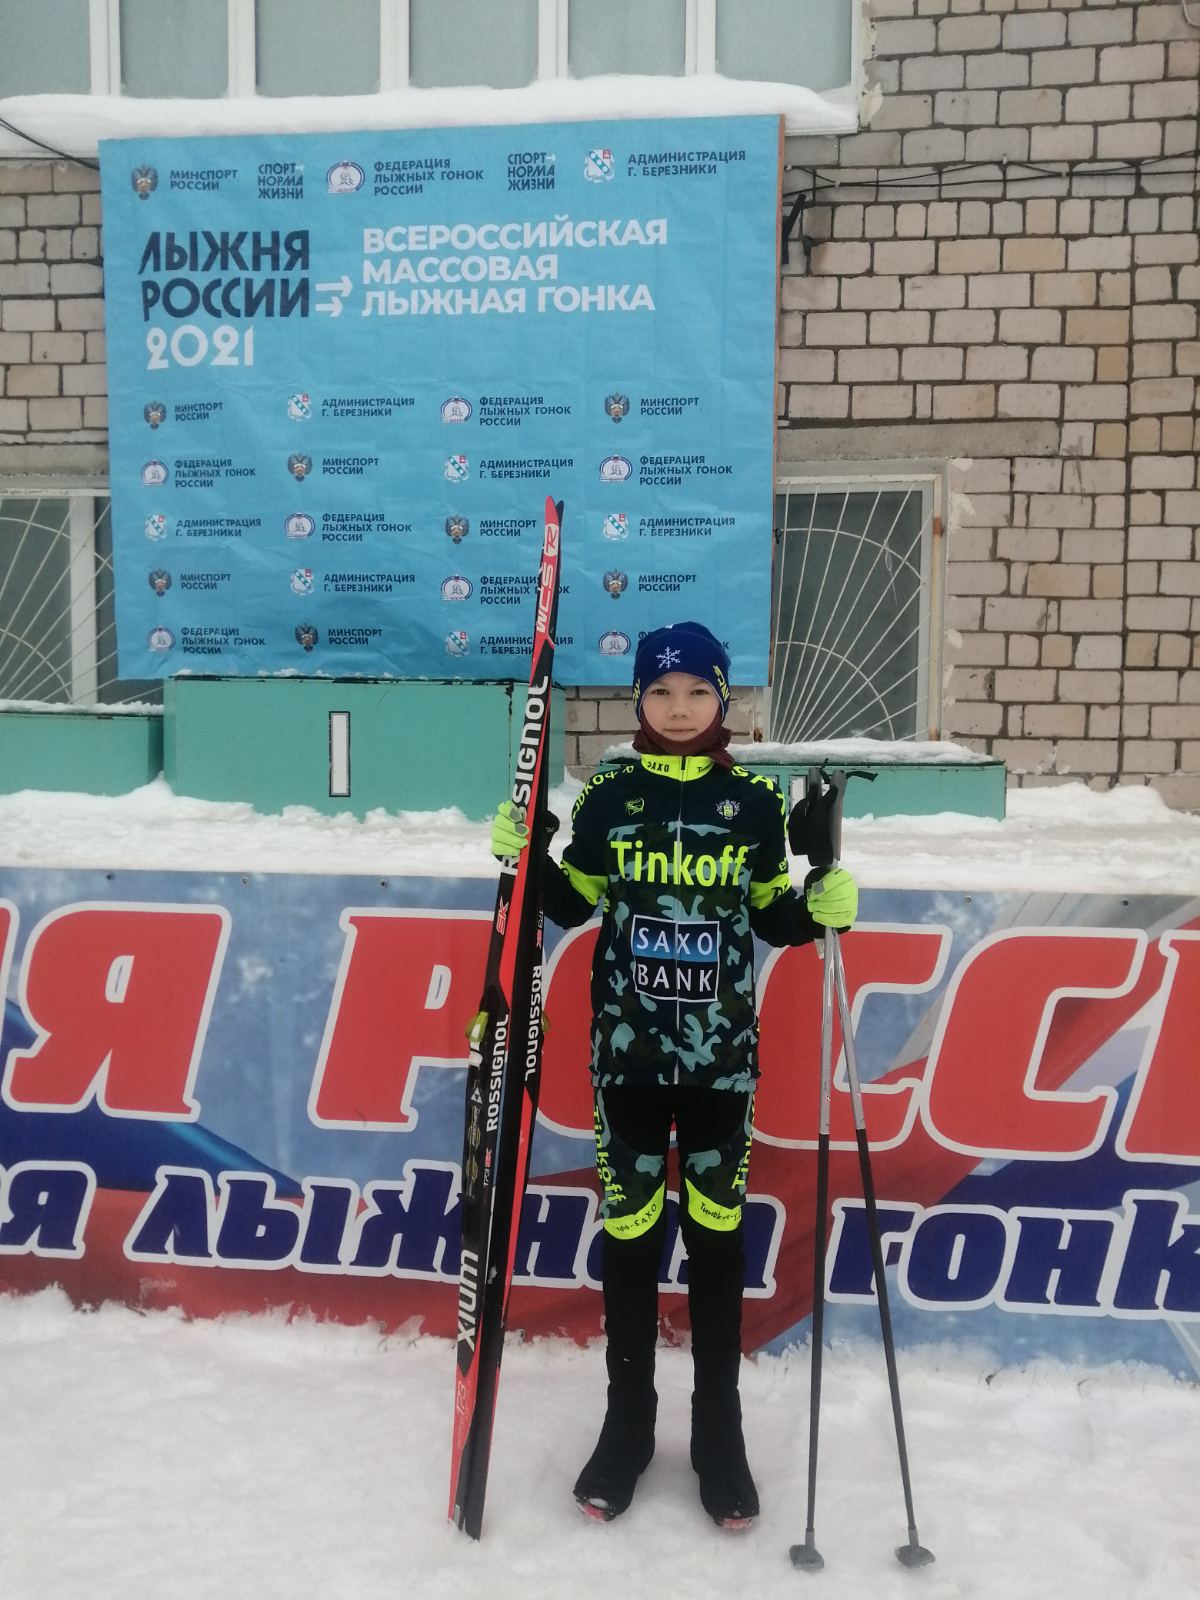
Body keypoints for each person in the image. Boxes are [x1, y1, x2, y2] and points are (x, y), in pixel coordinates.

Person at [490, 620, 857, 1528]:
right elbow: (570, 903)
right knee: (631, 1232)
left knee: (717, 1236)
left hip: (722, 1064)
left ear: (722, 699)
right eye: (661, 691)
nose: (680, 708)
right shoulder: (611, 794)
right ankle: (628, 1427)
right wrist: (525, 858)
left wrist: (819, 908)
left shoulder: (754, 801)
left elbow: (770, 915)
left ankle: (718, 1436)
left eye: (698, 691)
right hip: (628, 1058)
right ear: (639, 700)